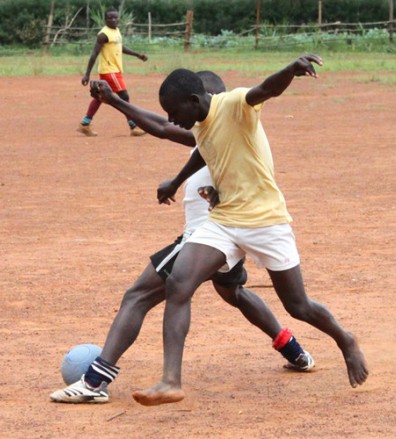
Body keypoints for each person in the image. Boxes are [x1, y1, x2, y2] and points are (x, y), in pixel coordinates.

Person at [49, 71, 315, 404]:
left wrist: (115, 101)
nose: (183, 120)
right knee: (232, 291)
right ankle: (293, 349)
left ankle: (95, 382)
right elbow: (163, 125)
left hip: (207, 235)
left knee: (138, 295)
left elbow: (161, 127)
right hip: (229, 233)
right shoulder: (210, 132)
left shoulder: (216, 126)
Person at [127, 54, 369, 406]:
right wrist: (176, 181)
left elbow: (265, 89)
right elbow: (204, 151)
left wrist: (289, 70)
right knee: (180, 281)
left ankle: (345, 339)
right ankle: (170, 381)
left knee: (298, 305)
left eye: (172, 110)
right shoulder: (201, 123)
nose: (170, 119)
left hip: (266, 219)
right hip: (224, 220)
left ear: (193, 101)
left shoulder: (234, 104)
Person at [77, 7, 147, 137]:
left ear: (118, 19)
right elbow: (94, 54)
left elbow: (119, 47)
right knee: (124, 97)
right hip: (110, 71)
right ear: (105, 19)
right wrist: (87, 74)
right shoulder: (103, 34)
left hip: (114, 70)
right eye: (110, 18)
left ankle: (85, 124)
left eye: (115, 17)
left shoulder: (116, 31)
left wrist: (137, 54)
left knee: (99, 97)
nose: (113, 20)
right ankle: (133, 126)